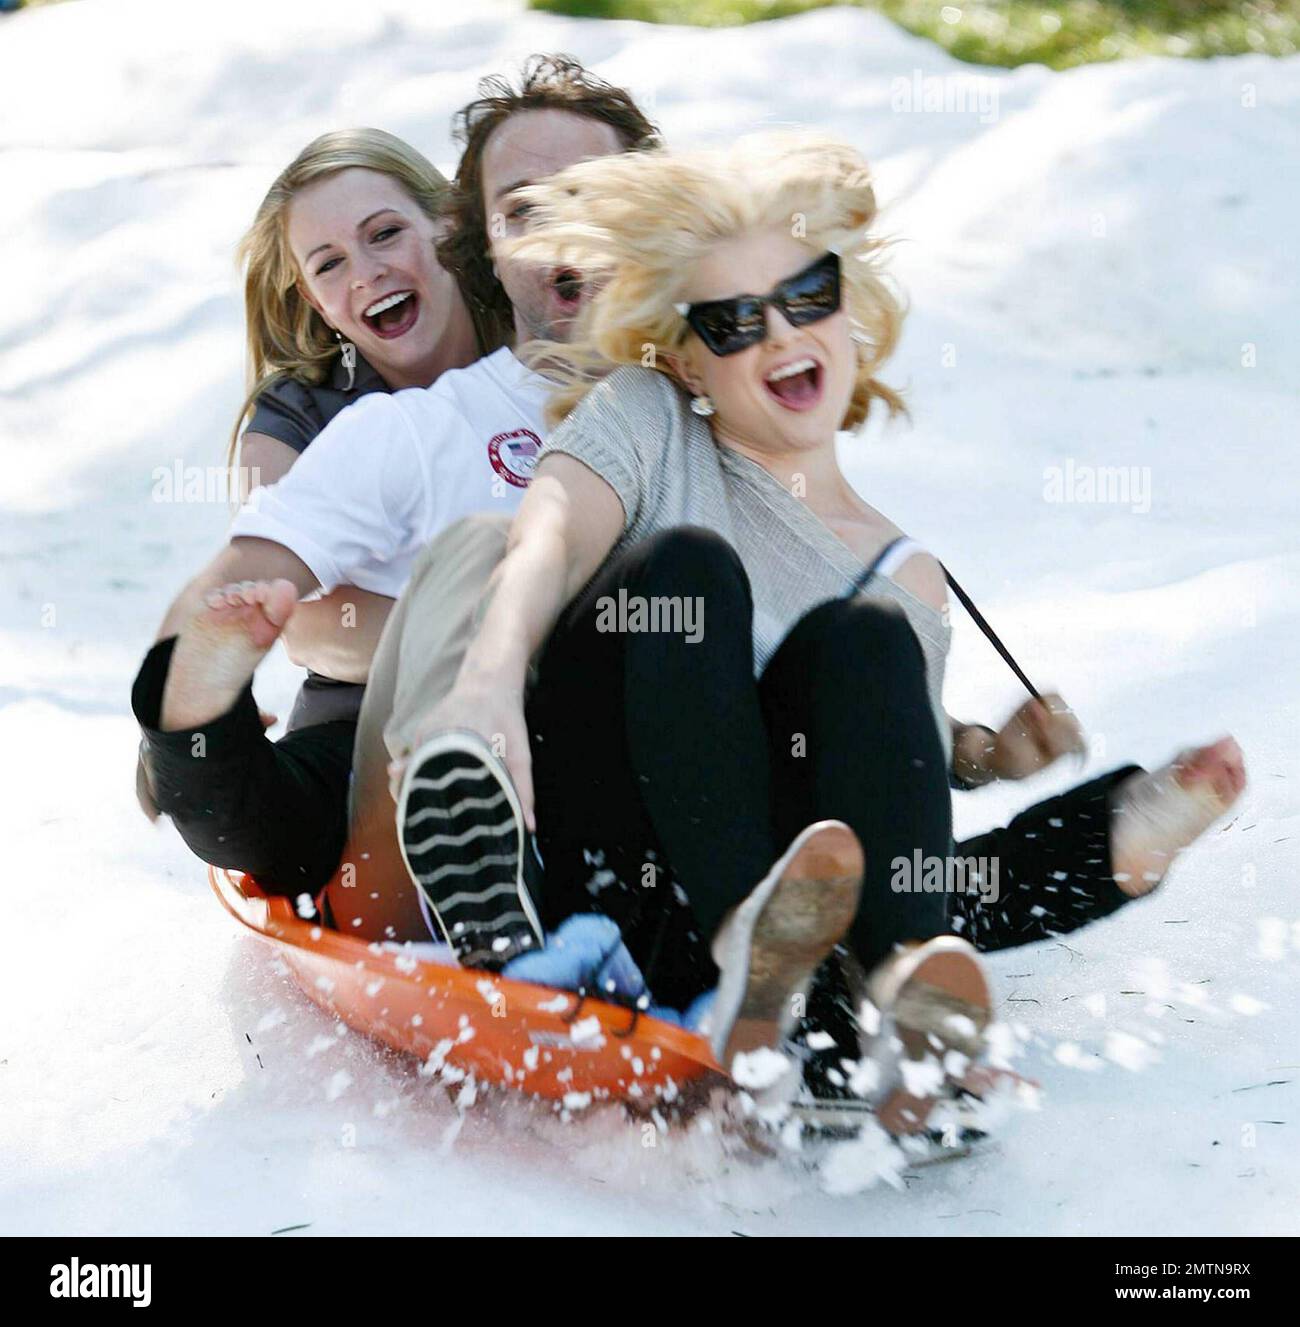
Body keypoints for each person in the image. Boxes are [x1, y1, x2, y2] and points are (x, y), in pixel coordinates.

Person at [397, 133, 1246, 1127]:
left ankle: (898, 997)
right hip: (616, 850)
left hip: (789, 893)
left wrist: (981, 755)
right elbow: (546, 534)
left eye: (807, 295)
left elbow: (881, 796)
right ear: (685, 359)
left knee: (873, 644)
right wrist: (490, 677)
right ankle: (800, 952)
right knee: (686, 571)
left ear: (848, 310)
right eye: (732, 321)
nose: (778, 333)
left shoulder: (903, 573)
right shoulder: (648, 417)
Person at [132, 57, 662, 945]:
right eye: (331, 263)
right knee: (279, 822)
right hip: (370, 704)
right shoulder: (306, 414)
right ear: (313, 297)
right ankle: (197, 740)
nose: (367, 272)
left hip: (574, 690)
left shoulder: (541, 334)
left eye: (386, 234)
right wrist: (488, 642)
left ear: (451, 228)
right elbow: (294, 616)